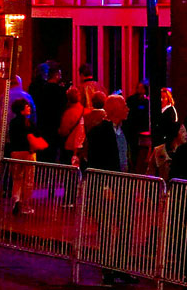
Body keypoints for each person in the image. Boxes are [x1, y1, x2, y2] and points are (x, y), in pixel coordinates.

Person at [84, 95, 135, 285]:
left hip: (124, 184)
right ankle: (107, 268)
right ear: (114, 110)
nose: (128, 109)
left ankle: (122, 267)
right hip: (107, 185)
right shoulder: (99, 133)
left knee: (125, 226)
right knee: (106, 227)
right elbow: (96, 160)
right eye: (125, 106)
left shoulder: (126, 131)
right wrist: (104, 185)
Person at [7, 98, 47, 215]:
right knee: (28, 180)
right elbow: (37, 135)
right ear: (21, 110)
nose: (29, 108)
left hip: (15, 153)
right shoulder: (28, 123)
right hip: (28, 153)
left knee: (17, 179)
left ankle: (15, 200)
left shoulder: (13, 123)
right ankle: (25, 204)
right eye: (27, 107)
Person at [57, 86, 86, 165]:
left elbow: (63, 131)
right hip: (82, 147)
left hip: (69, 147)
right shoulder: (86, 111)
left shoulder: (68, 113)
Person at [123, 81, 150, 167]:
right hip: (132, 128)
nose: (140, 90)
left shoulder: (147, 101)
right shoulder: (131, 100)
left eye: (142, 88)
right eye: (139, 87)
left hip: (143, 129)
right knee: (133, 148)